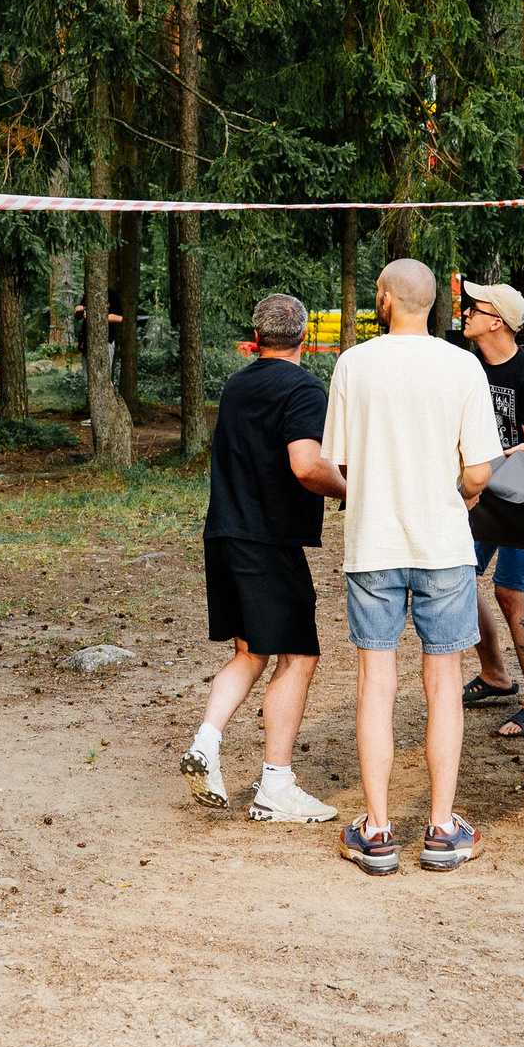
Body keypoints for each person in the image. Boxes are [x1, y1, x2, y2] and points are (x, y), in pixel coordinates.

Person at [319, 259, 501, 876]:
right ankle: (443, 827)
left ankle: (375, 829)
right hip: (444, 545)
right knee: (444, 682)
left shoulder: (354, 363)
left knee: (376, 683)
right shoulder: (463, 365)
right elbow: (480, 470)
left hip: (373, 543)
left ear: (387, 299)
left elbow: (337, 464)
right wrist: (458, 491)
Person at [182, 293, 347, 824]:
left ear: (258, 337)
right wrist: (351, 488)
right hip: (268, 540)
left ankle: (206, 745)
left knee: (250, 653)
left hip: (225, 533)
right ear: (306, 338)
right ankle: (276, 784)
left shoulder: (238, 384)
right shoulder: (302, 387)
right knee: (298, 655)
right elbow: (305, 465)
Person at [452, 281, 524, 739]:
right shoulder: (465, 367)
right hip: (475, 492)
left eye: (472, 308)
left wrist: (489, 484)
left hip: (519, 499)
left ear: (496, 320)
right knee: (456, 576)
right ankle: (495, 673)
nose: (465, 314)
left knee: (510, 593)